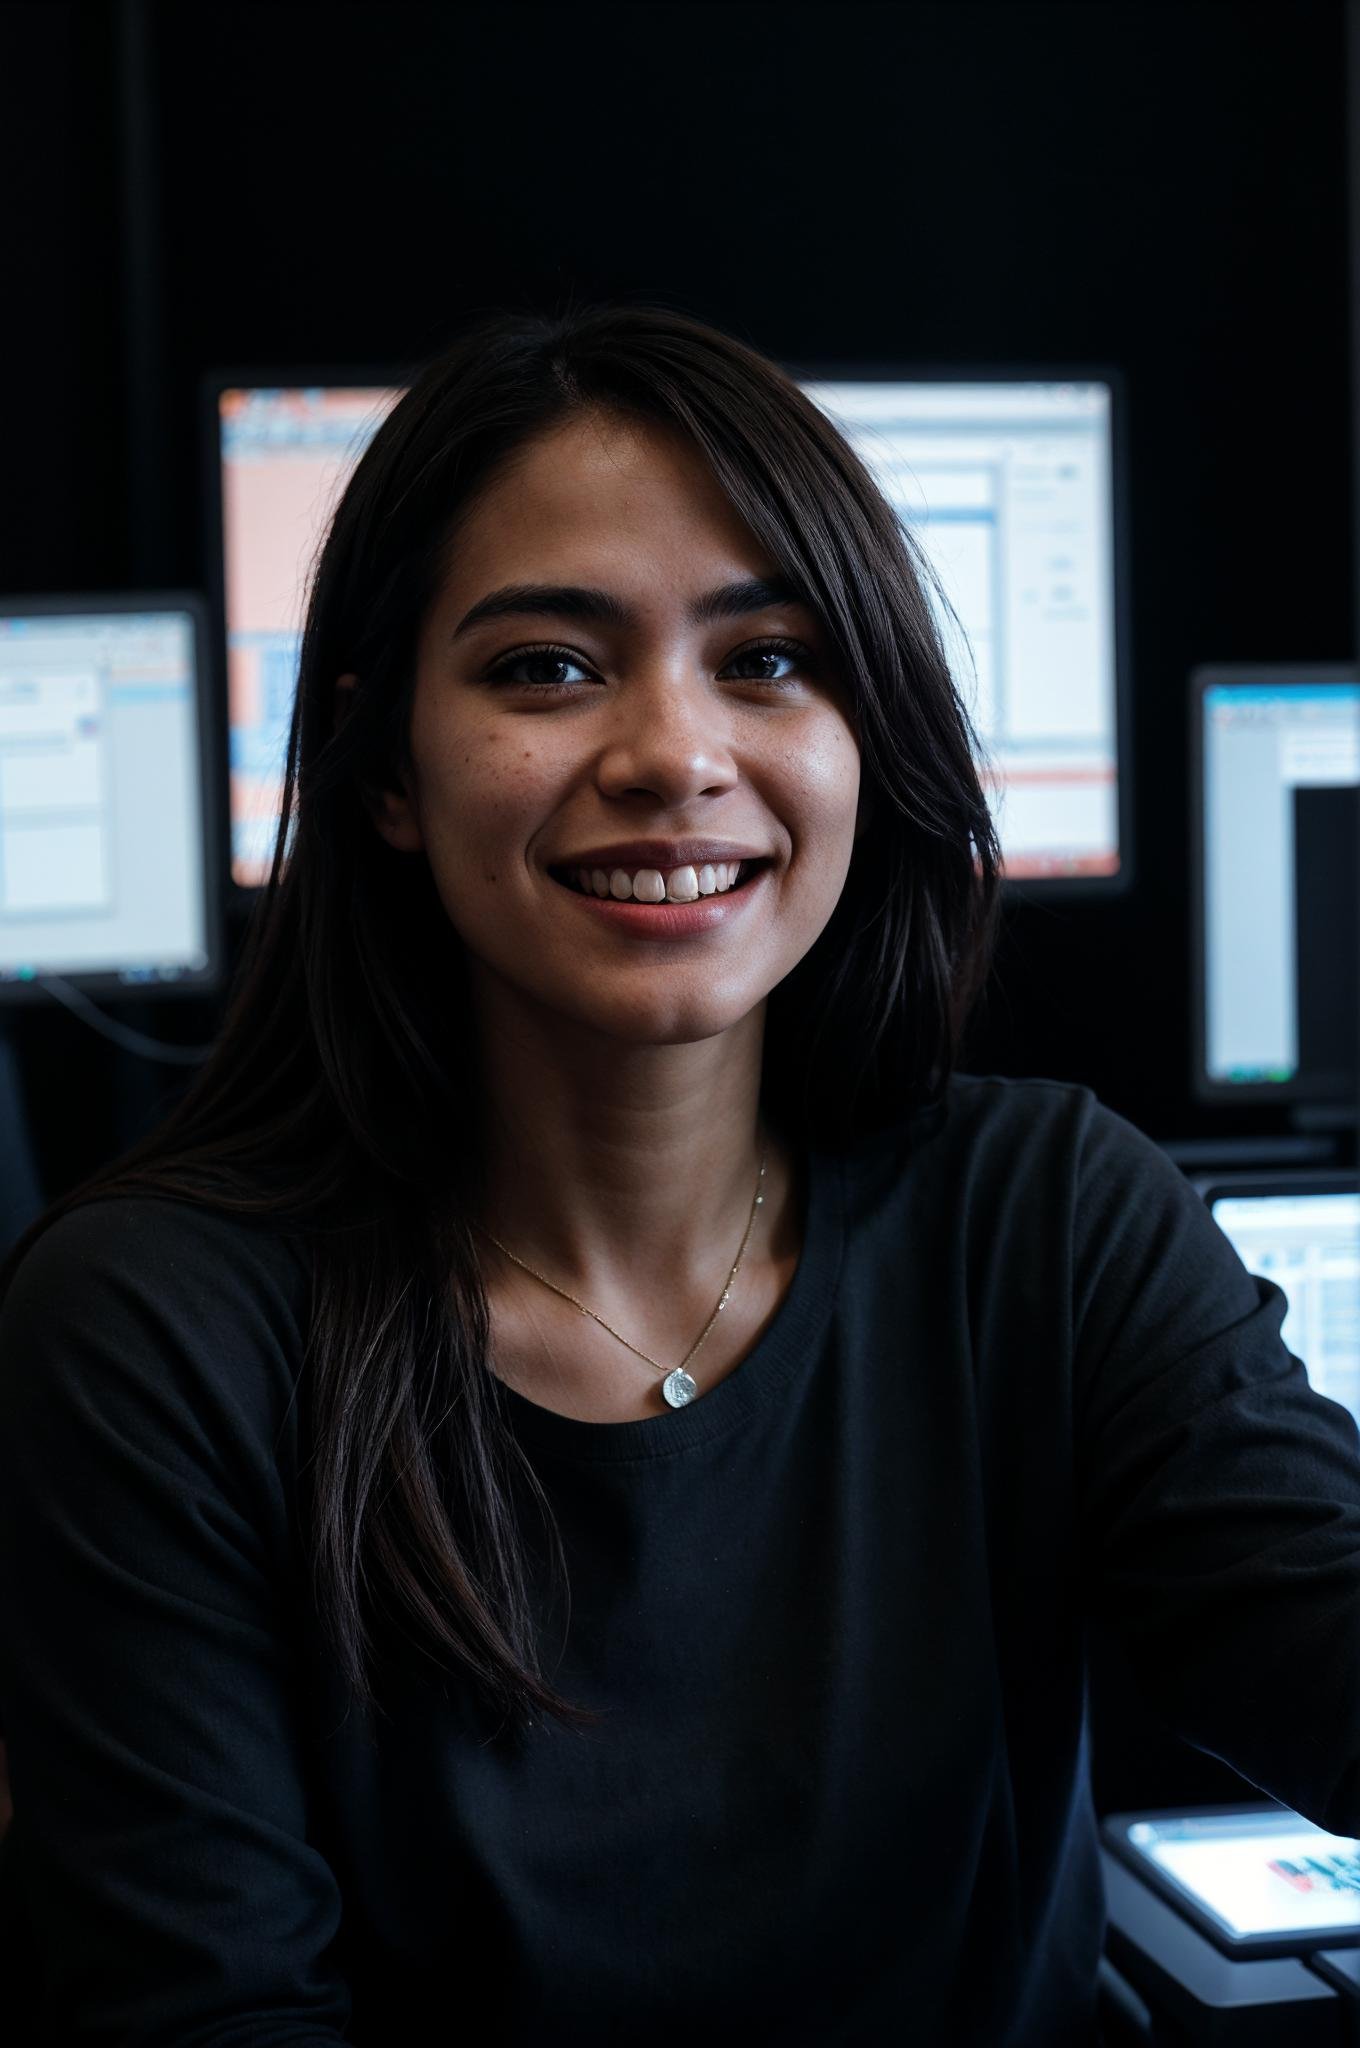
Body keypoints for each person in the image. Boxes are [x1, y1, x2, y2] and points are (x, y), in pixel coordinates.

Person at [0, 302, 1356, 2048]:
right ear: (389, 770)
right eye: (546, 667)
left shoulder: (1050, 1216)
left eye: (771, 658)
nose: (673, 753)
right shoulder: (152, 1337)